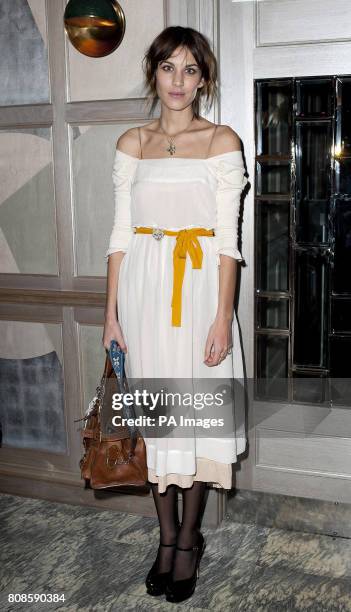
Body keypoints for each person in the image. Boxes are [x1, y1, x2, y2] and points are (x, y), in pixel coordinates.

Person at [103, 25, 248, 604]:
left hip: (198, 298)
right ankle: (164, 537)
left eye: (190, 70)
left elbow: (228, 244)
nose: (179, 81)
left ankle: (189, 540)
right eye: (169, 68)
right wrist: (110, 315)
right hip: (142, 295)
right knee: (157, 421)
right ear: (153, 74)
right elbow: (117, 236)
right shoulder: (131, 143)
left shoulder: (221, 141)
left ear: (204, 79)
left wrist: (221, 317)